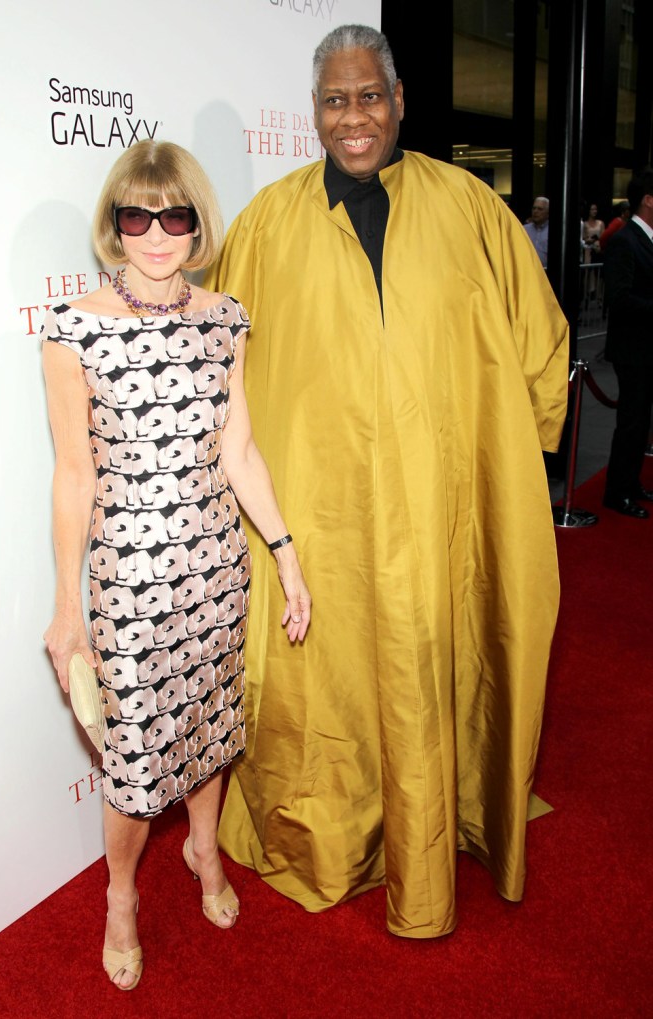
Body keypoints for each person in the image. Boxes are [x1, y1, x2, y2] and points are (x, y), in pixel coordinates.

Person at [204, 24, 568, 939]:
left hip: (444, 507)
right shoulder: (265, 225)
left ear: (400, 101)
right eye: (336, 99)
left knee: (433, 661)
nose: (355, 115)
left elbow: (539, 343)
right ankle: (336, 835)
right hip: (320, 514)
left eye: (371, 95)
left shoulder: (470, 207)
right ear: (314, 112)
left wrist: (499, 475)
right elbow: (220, 370)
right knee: (330, 684)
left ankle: (444, 824)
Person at [40, 139, 311, 989]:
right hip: (130, 581)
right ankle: (120, 895)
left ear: (197, 225)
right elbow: (74, 475)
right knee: (132, 759)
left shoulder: (225, 318)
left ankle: (202, 847)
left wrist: (287, 553)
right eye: (136, 216)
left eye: (175, 216)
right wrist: (65, 608)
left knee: (209, 725)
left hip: (216, 569)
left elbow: (240, 452)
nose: (156, 234)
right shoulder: (73, 328)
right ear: (113, 226)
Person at [602, 168, 653, 518]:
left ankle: (631, 483)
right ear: (648, 199)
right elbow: (618, 298)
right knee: (631, 422)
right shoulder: (625, 239)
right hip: (633, 349)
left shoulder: (645, 238)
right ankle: (616, 491)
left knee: (641, 422)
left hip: (647, 347)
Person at [523, 195, 550, 267]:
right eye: (534, 208)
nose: (535, 211)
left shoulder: (552, 231)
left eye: (540, 209)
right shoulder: (524, 229)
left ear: (548, 213)